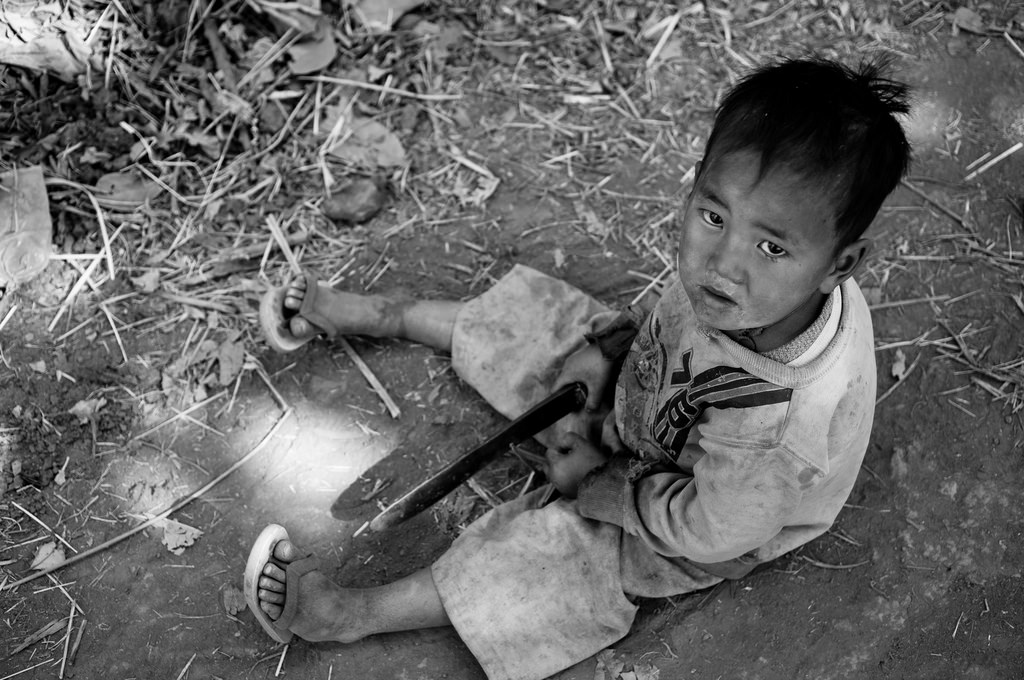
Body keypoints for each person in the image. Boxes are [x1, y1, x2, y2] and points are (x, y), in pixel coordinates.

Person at [244, 57, 912, 680]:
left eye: (770, 245)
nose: (723, 262)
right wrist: (609, 350)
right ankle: (384, 315)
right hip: (651, 399)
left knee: (561, 559)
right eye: (713, 214)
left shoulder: (779, 432)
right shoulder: (744, 291)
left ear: (841, 265)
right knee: (543, 330)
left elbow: (711, 530)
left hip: (696, 513)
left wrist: (604, 482)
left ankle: (350, 616)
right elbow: (669, 317)